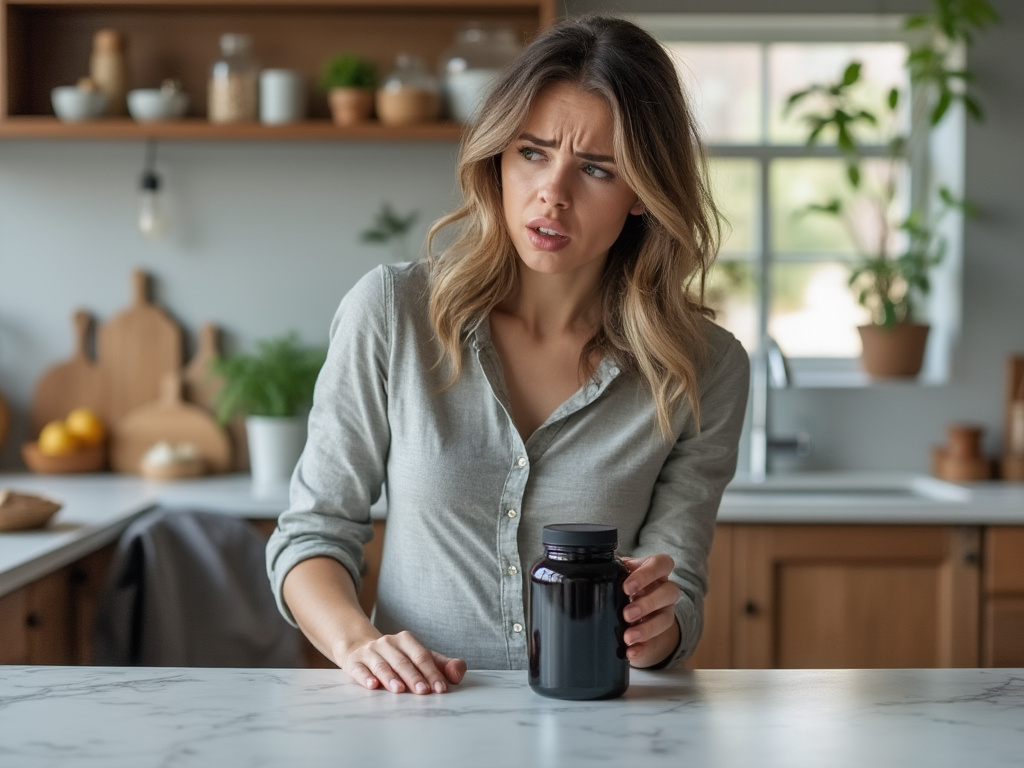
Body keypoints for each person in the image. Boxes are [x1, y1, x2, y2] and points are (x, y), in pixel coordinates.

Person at [266, 14, 749, 695]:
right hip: (413, 723)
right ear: (497, 153)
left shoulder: (705, 367)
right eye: (533, 152)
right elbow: (311, 535)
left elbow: (682, 597)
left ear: (641, 192)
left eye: (596, 169)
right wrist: (360, 645)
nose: (553, 193)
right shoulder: (394, 313)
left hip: (596, 729)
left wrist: (656, 625)